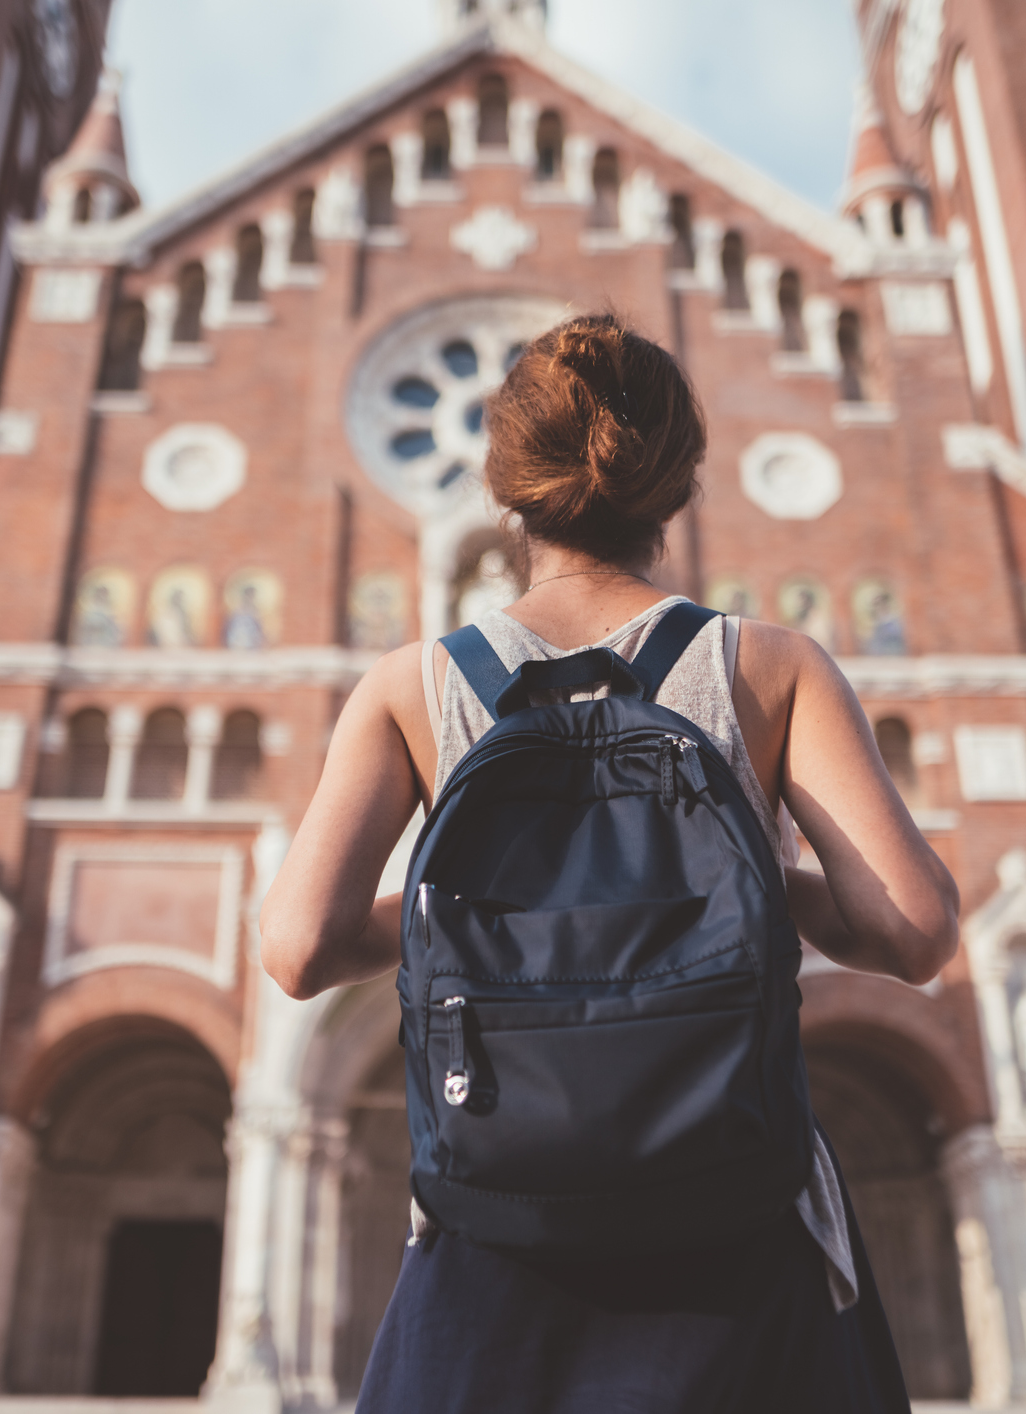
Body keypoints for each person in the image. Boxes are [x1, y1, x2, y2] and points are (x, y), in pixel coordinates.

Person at [260, 313, 959, 1412]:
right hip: (736, 1234)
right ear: (677, 484)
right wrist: (726, 893)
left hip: (495, 1236)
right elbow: (911, 929)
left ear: (505, 493)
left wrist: (496, 914)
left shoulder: (414, 686)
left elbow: (298, 947)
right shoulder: (766, 667)